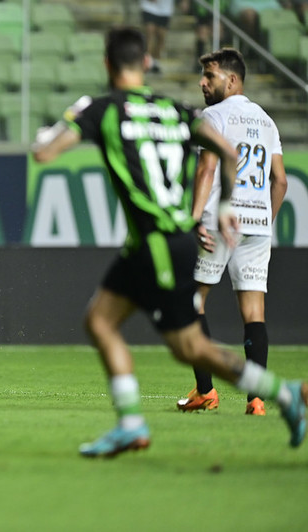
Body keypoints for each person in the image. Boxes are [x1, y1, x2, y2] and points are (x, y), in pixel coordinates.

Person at [31, 26, 306, 457]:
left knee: (182, 343)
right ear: (145, 63)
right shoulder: (175, 109)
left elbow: (44, 153)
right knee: (109, 324)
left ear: (106, 64)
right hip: (173, 238)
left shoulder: (101, 109)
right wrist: (229, 204)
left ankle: (140, 422)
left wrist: (51, 130)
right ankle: (275, 394)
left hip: (156, 240)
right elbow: (228, 154)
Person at [176, 48, 288, 415]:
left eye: (210, 76)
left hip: (219, 220)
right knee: (254, 311)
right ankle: (256, 399)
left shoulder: (214, 115)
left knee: (192, 302)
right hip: (256, 223)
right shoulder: (267, 121)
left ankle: (206, 391)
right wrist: (264, 220)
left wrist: (194, 218)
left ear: (232, 80)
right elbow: (280, 181)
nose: (202, 82)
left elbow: (207, 170)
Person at [140, 0, 175, 74]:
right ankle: (147, 62)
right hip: (148, 6)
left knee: (161, 37)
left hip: (165, 9)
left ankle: (155, 62)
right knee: (150, 35)